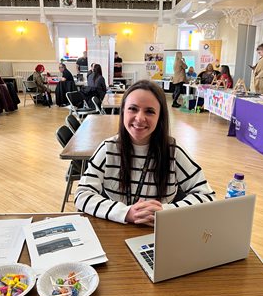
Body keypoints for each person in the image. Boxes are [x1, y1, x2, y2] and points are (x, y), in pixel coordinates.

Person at [74, 80, 215, 225]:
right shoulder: (108, 148)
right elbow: (82, 195)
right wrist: (126, 213)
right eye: (133, 109)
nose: (140, 118)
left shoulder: (173, 152)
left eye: (149, 111)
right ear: (123, 111)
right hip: (118, 230)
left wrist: (165, 212)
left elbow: (207, 197)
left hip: (162, 233)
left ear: (160, 117)